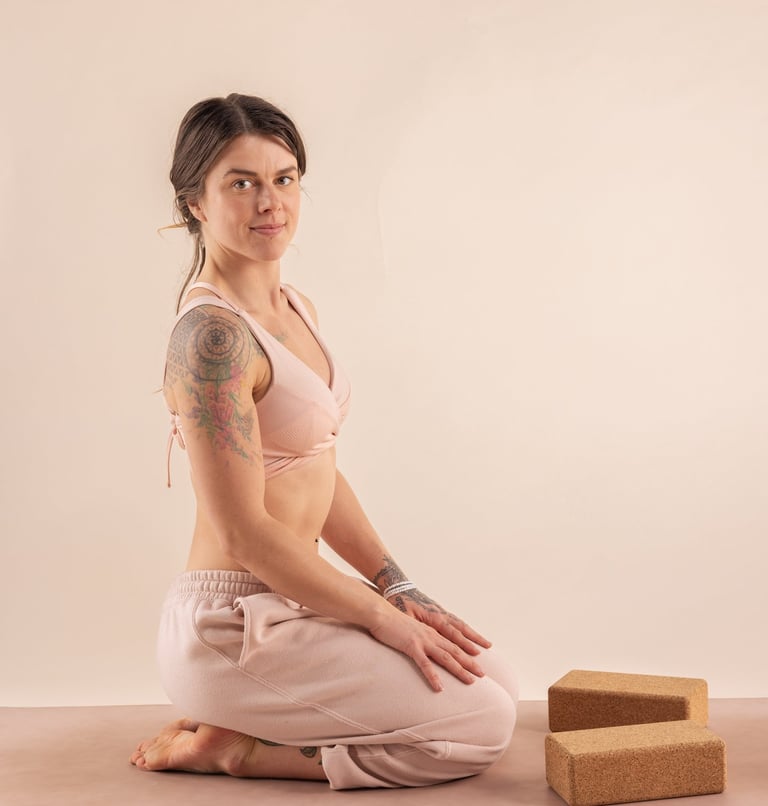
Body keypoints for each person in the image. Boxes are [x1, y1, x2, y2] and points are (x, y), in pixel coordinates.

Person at [130, 93, 518, 790]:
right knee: (482, 723)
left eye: (283, 178)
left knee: (496, 683)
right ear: (194, 203)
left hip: (297, 599)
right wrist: (379, 620)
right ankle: (236, 750)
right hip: (230, 625)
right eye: (240, 183)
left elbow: (315, 469)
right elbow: (243, 533)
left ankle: (245, 723)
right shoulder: (212, 338)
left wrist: (397, 588)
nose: (269, 202)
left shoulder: (295, 308)